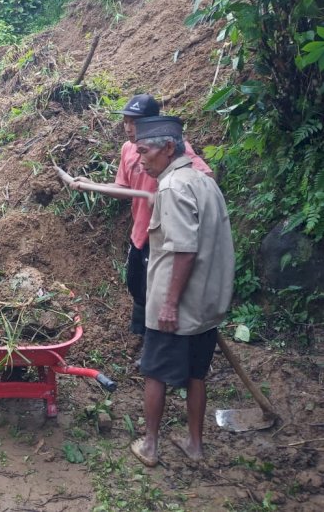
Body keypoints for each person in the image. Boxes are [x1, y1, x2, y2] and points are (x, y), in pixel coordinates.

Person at [68, 94, 212, 353]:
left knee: (157, 291)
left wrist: (168, 195)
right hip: (139, 235)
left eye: (134, 122)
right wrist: (91, 185)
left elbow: (204, 176)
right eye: (125, 121)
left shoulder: (171, 149)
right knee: (136, 284)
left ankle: (157, 346)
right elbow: (122, 187)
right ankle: (142, 337)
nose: (128, 127)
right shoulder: (127, 150)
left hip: (164, 238)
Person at [128, 115, 234, 467]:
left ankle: (150, 445)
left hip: (176, 307)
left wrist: (170, 304)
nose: (140, 159)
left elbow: (184, 250)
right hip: (205, 305)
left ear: (169, 148)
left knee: (155, 372)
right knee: (195, 375)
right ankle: (194, 444)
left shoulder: (172, 187)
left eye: (145, 151)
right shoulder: (204, 182)